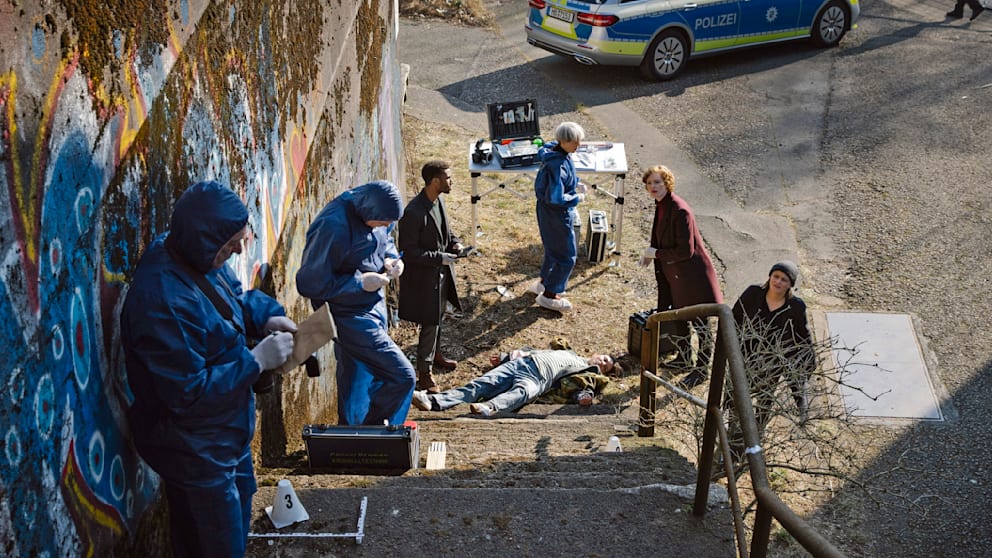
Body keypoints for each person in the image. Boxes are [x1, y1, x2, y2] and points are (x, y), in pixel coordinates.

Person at [121, 181, 297, 558]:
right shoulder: (161, 301)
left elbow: (233, 301)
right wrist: (256, 361)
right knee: (216, 541)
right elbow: (186, 394)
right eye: (229, 243)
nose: (238, 249)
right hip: (194, 447)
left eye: (240, 238)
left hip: (227, 432)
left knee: (237, 514)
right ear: (203, 240)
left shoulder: (197, 257)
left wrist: (269, 318)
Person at [296, 180, 416, 426]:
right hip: (346, 314)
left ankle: (350, 434)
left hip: (373, 306)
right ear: (368, 212)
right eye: (382, 221)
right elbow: (309, 283)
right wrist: (359, 282)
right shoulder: (332, 226)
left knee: (357, 375)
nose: (385, 226)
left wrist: (392, 259)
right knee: (401, 375)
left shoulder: (377, 211)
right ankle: (373, 435)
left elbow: (387, 237)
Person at [638, 165, 723, 387]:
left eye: (657, 182)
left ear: (667, 183)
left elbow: (686, 251)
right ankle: (684, 358)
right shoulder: (661, 205)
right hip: (674, 274)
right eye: (649, 183)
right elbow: (659, 235)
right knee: (677, 315)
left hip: (692, 276)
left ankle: (701, 369)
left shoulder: (679, 209)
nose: (653, 187)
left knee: (700, 323)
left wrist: (656, 253)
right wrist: (651, 253)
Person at [398, 160, 463, 393]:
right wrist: (439, 258)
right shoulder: (414, 212)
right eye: (447, 177)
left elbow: (447, 232)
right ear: (435, 181)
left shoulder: (438, 201)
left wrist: (455, 244)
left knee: (439, 316)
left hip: (440, 275)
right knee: (430, 322)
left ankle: (436, 355)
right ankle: (424, 374)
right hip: (424, 280)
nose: (451, 181)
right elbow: (409, 252)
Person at [731, 260, 816, 432]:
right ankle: (733, 428)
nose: (778, 282)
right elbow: (733, 318)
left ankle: (757, 432)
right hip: (747, 355)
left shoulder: (796, 306)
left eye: (784, 279)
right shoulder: (753, 294)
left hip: (773, 361)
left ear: (790, 285)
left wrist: (808, 363)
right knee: (737, 394)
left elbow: (803, 336)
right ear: (770, 277)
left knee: (765, 399)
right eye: (776, 277)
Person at [410, 349, 616, 416]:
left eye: (606, 367)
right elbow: (532, 349)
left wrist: (583, 397)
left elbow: (580, 387)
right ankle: (433, 401)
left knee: (522, 393)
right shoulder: (569, 351)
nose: (603, 363)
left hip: (538, 379)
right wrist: (506, 356)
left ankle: (489, 408)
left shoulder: (587, 372)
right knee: (479, 385)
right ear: (596, 353)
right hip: (523, 363)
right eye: (605, 359)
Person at [530, 121, 588, 313]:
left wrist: (574, 183)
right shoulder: (558, 165)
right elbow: (556, 198)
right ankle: (550, 295)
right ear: (563, 141)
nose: (578, 146)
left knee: (552, 249)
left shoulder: (553, 152)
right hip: (557, 213)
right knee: (567, 256)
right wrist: (576, 197)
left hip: (545, 212)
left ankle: (545, 283)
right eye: (574, 142)